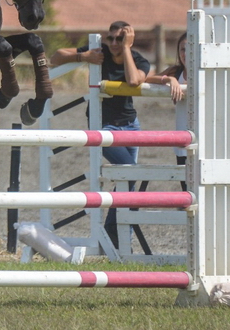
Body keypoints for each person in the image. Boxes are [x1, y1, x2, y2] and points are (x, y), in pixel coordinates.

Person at [50, 21, 150, 249]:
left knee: (129, 182)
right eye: (111, 38)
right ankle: (110, 236)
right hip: (103, 126)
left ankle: (114, 238)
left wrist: (126, 49)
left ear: (128, 40)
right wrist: (83, 58)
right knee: (130, 174)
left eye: (119, 39)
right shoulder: (99, 51)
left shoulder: (137, 59)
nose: (114, 43)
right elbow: (56, 56)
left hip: (130, 125)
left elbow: (134, 80)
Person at [145, 32, 188, 190]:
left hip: (206, 143)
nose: (186, 54)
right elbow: (147, 79)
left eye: (190, 49)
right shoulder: (176, 71)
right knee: (187, 191)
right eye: (182, 49)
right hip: (182, 142)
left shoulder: (208, 73)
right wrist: (169, 79)